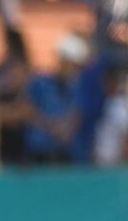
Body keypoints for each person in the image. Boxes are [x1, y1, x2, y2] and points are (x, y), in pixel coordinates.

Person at [26, 34, 85, 165]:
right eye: (72, 65)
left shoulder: (75, 88)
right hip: (39, 154)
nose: (75, 70)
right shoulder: (40, 83)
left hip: (64, 154)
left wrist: (66, 129)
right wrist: (51, 126)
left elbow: (76, 114)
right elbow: (28, 111)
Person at [0, 28, 33, 166]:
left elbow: (26, 112)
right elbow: (0, 114)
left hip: (24, 139)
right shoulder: (1, 79)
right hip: (6, 138)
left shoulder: (28, 85)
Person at [94, 65, 128, 165]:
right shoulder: (108, 101)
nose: (103, 85)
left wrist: (122, 159)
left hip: (114, 162)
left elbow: (126, 135)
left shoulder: (121, 105)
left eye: (106, 82)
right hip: (102, 160)